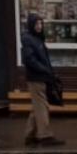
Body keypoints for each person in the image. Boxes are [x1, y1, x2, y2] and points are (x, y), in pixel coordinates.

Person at [21, 13, 64, 147]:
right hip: (36, 78)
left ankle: (30, 135)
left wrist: (50, 72)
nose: (39, 26)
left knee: (37, 107)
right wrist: (44, 70)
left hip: (41, 77)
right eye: (37, 24)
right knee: (42, 106)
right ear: (31, 25)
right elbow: (29, 60)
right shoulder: (28, 39)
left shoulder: (37, 39)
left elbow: (43, 58)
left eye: (41, 24)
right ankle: (45, 136)